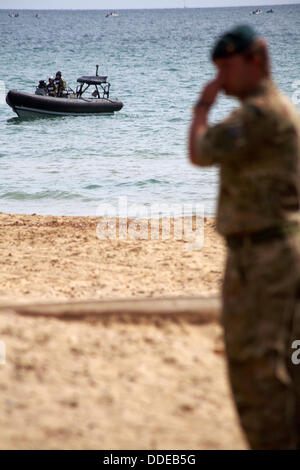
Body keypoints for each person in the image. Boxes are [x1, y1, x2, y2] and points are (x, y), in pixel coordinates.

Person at [189, 24, 300, 449]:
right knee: (288, 360)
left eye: (225, 68)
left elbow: (199, 151)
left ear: (256, 60)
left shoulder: (258, 114)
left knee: (255, 367)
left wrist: (203, 104)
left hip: (263, 256)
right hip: (276, 248)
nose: (220, 79)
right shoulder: (280, 109)